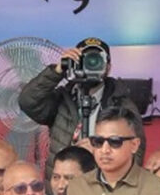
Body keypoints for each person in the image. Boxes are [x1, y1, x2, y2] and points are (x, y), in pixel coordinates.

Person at [18, 38, 141, 177]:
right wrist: (58, 70)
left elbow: (136, 156)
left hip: (103, 184)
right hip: (62, 183)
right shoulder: (62, 100)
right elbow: (27, 101)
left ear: (108, 67)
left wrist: (102, 154)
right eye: (85, 60)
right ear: (75, 64)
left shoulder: (122, 106)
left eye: (97, 60)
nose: (91, 64)